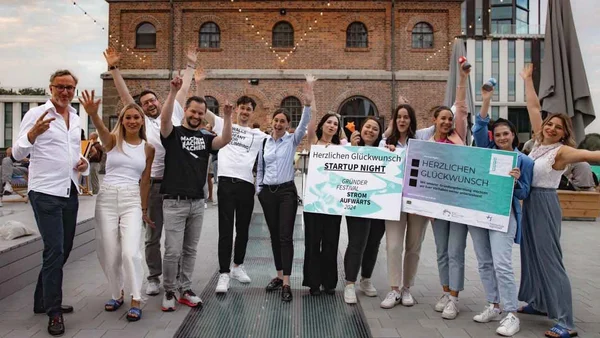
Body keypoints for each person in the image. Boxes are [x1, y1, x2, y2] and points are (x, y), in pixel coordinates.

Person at [516, 63, 600, 338]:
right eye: (549, 123)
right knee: (531, 255)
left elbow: (593, 156)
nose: (551, 128)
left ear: (565, 132)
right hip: (529, 203)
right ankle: (539, 302)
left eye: (557, 127)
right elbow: (532, 108)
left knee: (550, 259)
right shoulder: (540, 144)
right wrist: (528, 79)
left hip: (545, 203)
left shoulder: (563, 152)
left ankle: (566, 321)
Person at [104, 47, 194, 296]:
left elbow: (184, 89)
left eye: (152, 100)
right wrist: (114, 69)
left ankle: (173, 276)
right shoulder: (140, 121)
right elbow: (124, 96)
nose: (150, 105)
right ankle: (154, 276)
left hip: (176, 185)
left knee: (175, 237)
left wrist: (191, 65)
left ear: (158, 100)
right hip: (153, 185)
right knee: (152, 235)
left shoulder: (173, 111)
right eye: (144, 104)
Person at [13, 69, 89, 336]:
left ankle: (41, 300)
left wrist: (85, 164)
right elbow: (17, 152)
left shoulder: (77, 118)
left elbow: (76, 154)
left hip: (69, 190)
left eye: (70, 87)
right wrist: (32, 134)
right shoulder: (36, 115)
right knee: (55, 249)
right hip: (44, 192)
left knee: (64, 248)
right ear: (51, 88)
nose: (65, 92)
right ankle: (53, 312)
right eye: (61, 87)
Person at [159, 76, 232, 311]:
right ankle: (169, 289)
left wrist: (228, 117)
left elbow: (225, 139)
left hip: (197, 203)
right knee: (172, 251)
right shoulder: (174, 134)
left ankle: (185, 288)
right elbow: (164, 119)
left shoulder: (206, 137)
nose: (197, 116)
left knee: (190, 250)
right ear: (185, 112)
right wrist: (172, 93)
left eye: (201, 113)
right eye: (193, 111)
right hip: (174, 202)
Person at [81, 90, 154, 321]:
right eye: (128, 117)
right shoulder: (112, 142)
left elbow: (145, 181)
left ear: (142, 121)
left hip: (132, 199)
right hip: (107, 199)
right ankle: (117, 293)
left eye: (136, 117)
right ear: (122, 120)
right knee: (109, 252)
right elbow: (102, 132)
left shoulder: (147, 148)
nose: (132, 121)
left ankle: (136, 297)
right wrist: (93, 114)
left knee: (131, 252)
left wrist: (143, 210)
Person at [469, 84, 534, 336]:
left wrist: (516, 181)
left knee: (502, 264)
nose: (502, 138)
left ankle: (510, 313)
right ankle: (493, 304)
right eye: (497, 135)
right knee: (485, 262)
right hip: (478, 213)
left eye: (506, 134)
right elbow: (478, 127)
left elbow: (524, 193)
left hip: (504, 216)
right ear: (492, 137)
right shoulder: (487, 152)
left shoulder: (524, 160)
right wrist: (486, 99)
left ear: (513, 135)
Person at [199, 71, 269, 294]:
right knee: (225, 230)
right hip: (227, 183)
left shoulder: (258, 134)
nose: (245, 112)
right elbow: (204, 111)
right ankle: (223, 274)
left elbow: (281, 140)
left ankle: (238, 265)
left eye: (249, 109)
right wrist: (199, 84)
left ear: (252, 112)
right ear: (237, 110)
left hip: (246, 184)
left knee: (243, 229)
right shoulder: (223, 123)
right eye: (243, 108)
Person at [257, 77, 314, 302]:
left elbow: (304, 125)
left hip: (286, 193)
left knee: (285, 236)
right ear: (272, 122)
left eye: (283, 121)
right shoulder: (264, 143)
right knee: (273, 236)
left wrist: (307, 103)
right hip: (267, 193)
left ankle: (287, 282)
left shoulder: (291, 140)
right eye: (276, 120)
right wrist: (259, 189)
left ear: (288, 126)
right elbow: (260, 167)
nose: (279, 124)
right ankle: (279, 276)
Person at [378, 104, 430, 309]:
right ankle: (394, 288)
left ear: (411, 120)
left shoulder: (420, 142)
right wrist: (387, 152)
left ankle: (407, 287)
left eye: (406, 117)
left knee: (413, 246)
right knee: (393, 246)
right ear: (394, 120)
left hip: (417, 202)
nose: (402, 120)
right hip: (393, 202)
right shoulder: (385, 143)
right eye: (398, 117)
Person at [430, 62, 470, 320]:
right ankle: (445, 291)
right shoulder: (427, 142)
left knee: (456, 251)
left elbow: (462, 108)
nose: (446, 121)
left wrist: (462, 80)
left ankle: (455, 297)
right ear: (434, 121)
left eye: (449, 118)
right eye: (442, 118)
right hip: (436, 205)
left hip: (458, 203)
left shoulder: (459, 136)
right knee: (441, 251)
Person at [340, 118, 386, 304]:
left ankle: (366, 279)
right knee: (356, 242)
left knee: (374, 242)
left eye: (375, 129)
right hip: (357, 202)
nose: (370, 131)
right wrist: (352, 148)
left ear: (378, 133)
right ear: (361, 129)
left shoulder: (384, 152)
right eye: (368, 127)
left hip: (378, 203)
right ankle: (350, 283)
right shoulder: (350, 149)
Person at [302, 109, 348, 296]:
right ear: (322, 125)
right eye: (329, 122)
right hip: (314, 201)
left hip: (333, 202)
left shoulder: (341, 148)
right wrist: (310, 97)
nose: (332, 126)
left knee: (331, 242)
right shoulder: (314, 143)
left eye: (335, 124)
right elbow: (311, 124)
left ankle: (329, 282)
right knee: (313, 242)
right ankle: (313, 282)